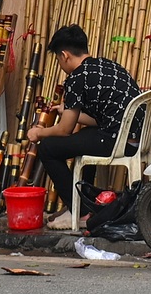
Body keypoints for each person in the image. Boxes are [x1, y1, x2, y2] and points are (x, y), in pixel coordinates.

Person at [25, 24, 140, 231]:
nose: (60, 64)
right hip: (134, 139)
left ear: (64, 55)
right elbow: (104, 119)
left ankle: (77, 211)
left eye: (58, 59)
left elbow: (64, 130)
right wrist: (67, 110)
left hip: (115, 141)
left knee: (48, 148)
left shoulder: (77, 77)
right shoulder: (108, 66)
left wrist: (39, 132)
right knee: (86, 137)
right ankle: (84, 206)